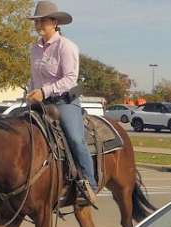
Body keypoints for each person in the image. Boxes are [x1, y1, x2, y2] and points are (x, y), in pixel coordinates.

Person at [26, 0, 98, 205]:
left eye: (43, 21)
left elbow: (69, 79)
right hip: (41, 102)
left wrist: (44, 90)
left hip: (64, 101)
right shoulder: (34, 49)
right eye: (36, 21)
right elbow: (34, 77)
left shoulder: (66, 47)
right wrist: (31, 91)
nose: (39, 25)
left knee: (75, 139)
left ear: (55, 22)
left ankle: (88, 184)